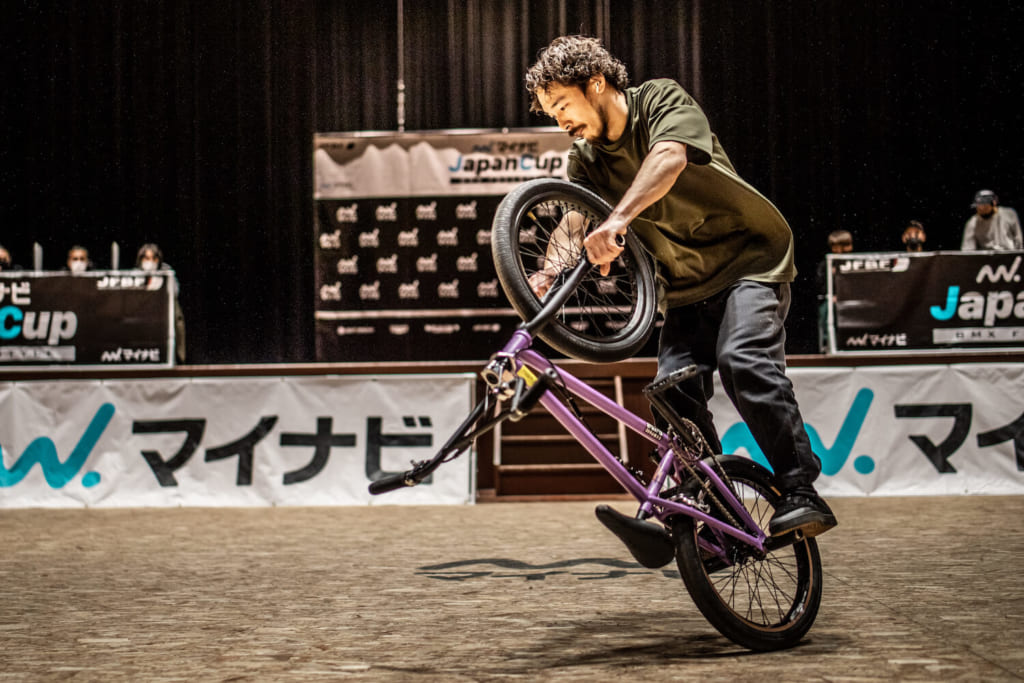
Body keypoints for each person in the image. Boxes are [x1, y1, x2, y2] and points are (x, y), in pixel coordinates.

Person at [525, 35, 835, 538]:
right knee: (672, 394)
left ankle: (801, 489)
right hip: (685, 286)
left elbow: (669, 158)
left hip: (750, 259)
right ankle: (710, 508)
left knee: (744, 362)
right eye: (549, 112)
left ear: (596, 83)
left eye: (561, 103)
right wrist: (545, 271)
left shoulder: (659, 100)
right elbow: (576, 221)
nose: (559, 119)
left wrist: (618, 220)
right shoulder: (584, 160)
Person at [136, 243, 187, 364]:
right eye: (147, 258)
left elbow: (174, 293)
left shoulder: (166, 272)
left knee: (177, 316)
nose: (151, 262)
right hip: (141, 312)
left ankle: (178, 358)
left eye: (154, 258)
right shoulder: (135, 274)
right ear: (141, 259)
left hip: (162, 312)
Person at [816, 230, 854, 353]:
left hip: (851, 298)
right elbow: (820, 284)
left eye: (844, 245)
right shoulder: (826, 263)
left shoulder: (853, 262)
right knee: (827, 311)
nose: (839, 250)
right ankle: (827, 345)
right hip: (829, 299)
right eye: (835, 246)